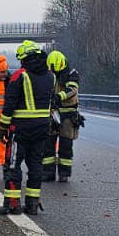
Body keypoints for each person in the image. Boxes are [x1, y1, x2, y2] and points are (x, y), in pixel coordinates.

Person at [0, 41, 54, 215]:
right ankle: (32, 205)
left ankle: (12, 205)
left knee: (13, 165)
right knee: (35, 166)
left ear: (24, 58)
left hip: (19, 130)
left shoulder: (19, 76)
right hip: (42, 129)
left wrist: (3, 127)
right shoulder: (51, 76)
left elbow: (9, 105)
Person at [48, 50, 82, 183]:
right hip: (53, 113)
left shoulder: (72, 74)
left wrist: (59, 97)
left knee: (65, 145)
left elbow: (72, 90)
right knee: (48, 144)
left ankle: (64, 173)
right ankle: (48, 172)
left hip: (68, 114)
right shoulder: (50, 75)